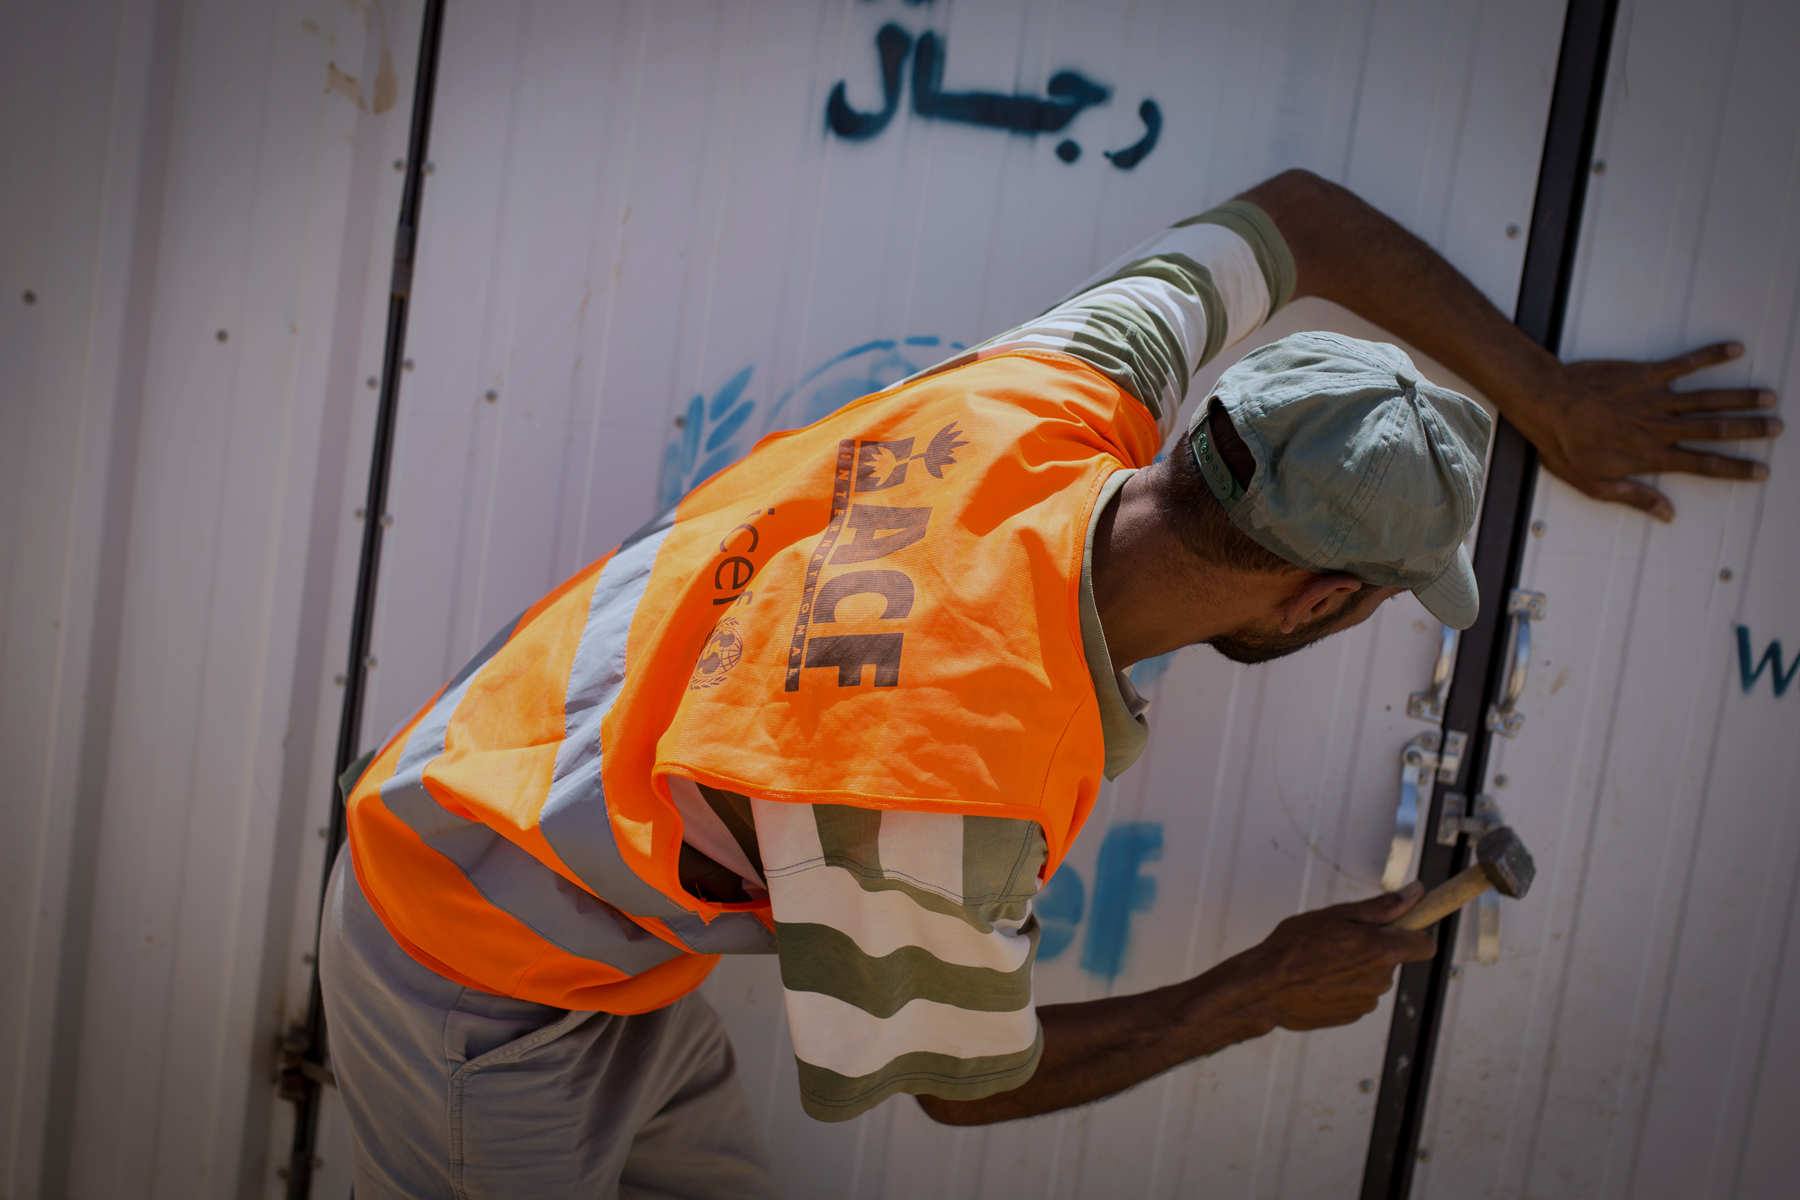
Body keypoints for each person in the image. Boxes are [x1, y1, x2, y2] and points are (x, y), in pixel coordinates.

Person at [319, 169, 1779, 1198]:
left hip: (545, 854)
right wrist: (1260, 992)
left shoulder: (1061, 385)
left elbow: (1303, 218)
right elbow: (967, 1083)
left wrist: (1547, 396)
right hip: (479, 969)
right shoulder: (939, 776)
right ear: (1321, 597)